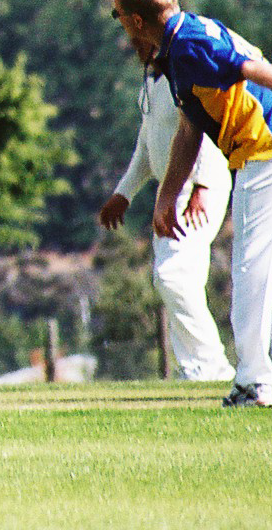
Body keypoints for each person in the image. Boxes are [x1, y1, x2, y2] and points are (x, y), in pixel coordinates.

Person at [112, 0, 272, 408]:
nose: (120, 25)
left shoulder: (188, 45)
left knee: (251, 276)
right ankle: (251, 381)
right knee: (249, 275)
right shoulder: (181, 43)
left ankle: (254, 385)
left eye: (118, 15)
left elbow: (247, 66)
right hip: (270, 152)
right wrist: (165, 198)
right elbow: (190, 128)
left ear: (137, 21)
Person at [96, 29, 234, 381]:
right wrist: (123, 193)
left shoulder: (183, 74)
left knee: (173, 277)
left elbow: (205, 129)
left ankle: (212, 366)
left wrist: (203, 183)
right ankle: (196, 368)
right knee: (174, 280)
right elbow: (146, 147)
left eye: (138, 40)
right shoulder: (152, 85)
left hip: (200, 190)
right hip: (170, 193)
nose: (134, 47)